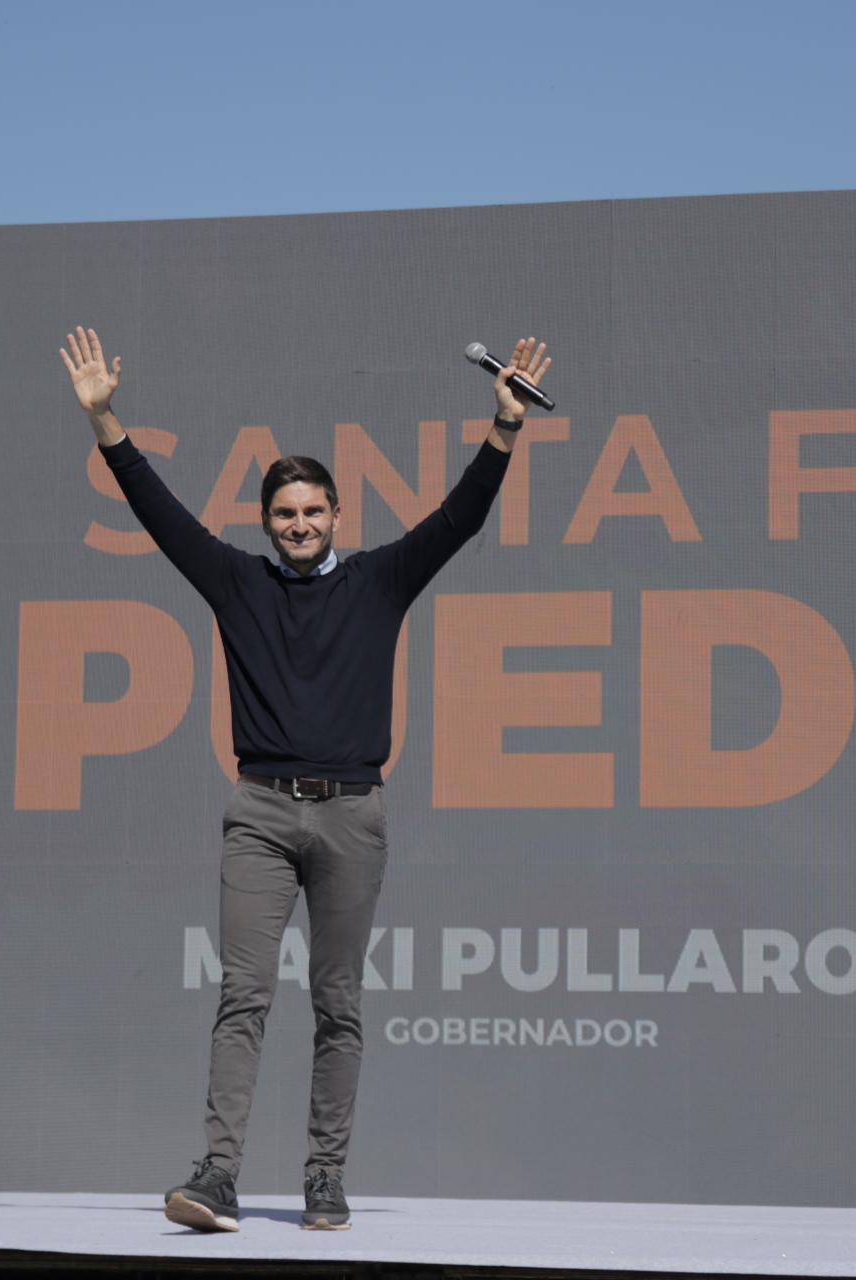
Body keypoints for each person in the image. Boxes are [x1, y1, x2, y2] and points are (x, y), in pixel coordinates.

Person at [58, 327, 550, 1232]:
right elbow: (159, 512)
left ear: (336, 515)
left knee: (338, 1004)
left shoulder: (379, 582)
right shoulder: (237, 584)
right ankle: (218, 1177)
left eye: (312, 512)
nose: (298, 525)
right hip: (260, 814)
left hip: (352, 815)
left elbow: (460, 518)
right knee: (242, 996)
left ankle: (325, 1179)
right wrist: (105, 421)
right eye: (284, 514)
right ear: (266, 522)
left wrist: (505, 428)